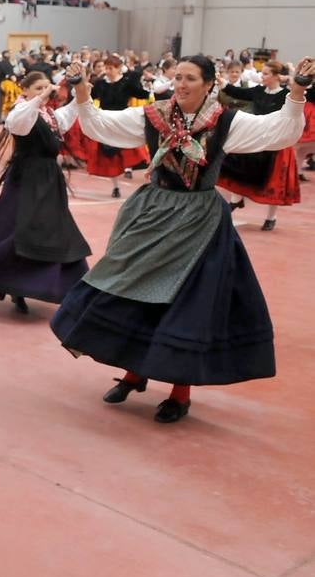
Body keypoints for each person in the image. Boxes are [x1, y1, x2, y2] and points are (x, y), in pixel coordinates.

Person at [51, 55, 314, 423]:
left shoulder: (225, 121)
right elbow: (100, 125)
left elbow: (281, 131)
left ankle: (180, 393)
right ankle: (134, 372)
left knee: (187, 303)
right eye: (178, 78)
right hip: (153, 214)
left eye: (191, 78)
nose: (182, 84)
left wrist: (298, 90)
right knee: (133, 291)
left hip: (199, 221)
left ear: (210, 84)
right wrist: (80, 89)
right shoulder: (153, 116)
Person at [0, 73, 90, 314]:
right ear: (25, 90)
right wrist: (40, 98)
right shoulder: (21, 112)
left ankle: (58, 285)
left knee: (55, 230)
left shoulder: (50, 115)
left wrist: (81, 91)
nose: (44, 91)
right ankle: (10, 282)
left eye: (46, 86)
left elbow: (69, 114)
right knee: (20, 230)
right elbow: (19, 123)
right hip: (26, 178)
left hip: (49, 179)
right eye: (37, 87)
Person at [217, 60, 300, 230]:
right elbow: (238, 92)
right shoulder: (258, 91)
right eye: (263, 73)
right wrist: (222, 82)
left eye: (267, 74)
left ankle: (271, 218)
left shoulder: (285, 95)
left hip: (277, 143)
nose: (263, 76)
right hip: (256, 139)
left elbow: (293, 115)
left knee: (273, 184)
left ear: (277, 76)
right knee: (237, 168)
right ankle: (236, 200)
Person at [87, 55, 150, 198]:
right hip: (106, 121)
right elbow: (91, 97)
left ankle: (128, 169)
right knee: (111, 155)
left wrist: (149, 88)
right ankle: (116, 186)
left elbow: (141, 94)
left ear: (118, 68)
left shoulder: (127, 83)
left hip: (124, 121)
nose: (107, 71)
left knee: (128, 149)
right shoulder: (100, 84)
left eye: (111, 68)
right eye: (106, 68)